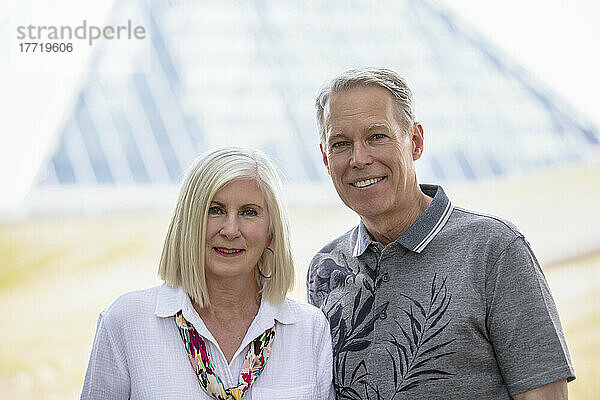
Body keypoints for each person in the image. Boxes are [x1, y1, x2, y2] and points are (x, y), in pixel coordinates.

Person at [307, 67, 575, 399]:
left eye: (377, 136)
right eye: (341, 144)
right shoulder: (324, 269)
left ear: (415, 142)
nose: (359, 159)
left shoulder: (495, 250)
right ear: (324, 157)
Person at [81, 147, 335, 399]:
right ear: (189, 221)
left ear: (271, 232)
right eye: (215, 210)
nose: (230, 229)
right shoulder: (127, 322)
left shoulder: (309, 330)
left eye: (249, 212)